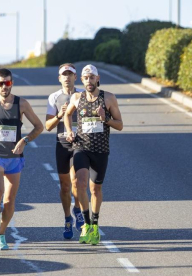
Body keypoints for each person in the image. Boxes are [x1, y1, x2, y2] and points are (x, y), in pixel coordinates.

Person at [0, 68, 43, 250]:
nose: (5, 86)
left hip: (14, 157)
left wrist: (25, 140)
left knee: (10, 200)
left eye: (8, 83)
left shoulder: (22, 104)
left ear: (12, 83)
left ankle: (1, 233)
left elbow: (39, 126)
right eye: (1, 83)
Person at [65, 64, 123, 245]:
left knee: (95, 189)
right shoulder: (77, 97)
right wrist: (69, 131)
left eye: (92, 78)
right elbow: (67, 115)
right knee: (78, 183)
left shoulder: (108, 98)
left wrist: (105, 119)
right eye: (86, 78)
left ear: (97, 79)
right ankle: (86, 224)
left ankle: (95, 225)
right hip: (81, 147)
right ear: (81, 80)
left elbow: (120, 124)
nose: (89, 81)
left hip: (101, 150)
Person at [45, 63, 85, 239]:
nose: (67, 77)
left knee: (77, 182)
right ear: (59, 78)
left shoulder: (83, 95)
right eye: (64, 74)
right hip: (62, 144)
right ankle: (68, 218)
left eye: (70, 74)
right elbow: (47, 126)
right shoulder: (54, 97)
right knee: (65, 186)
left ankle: (78, 210)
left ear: (76, 77)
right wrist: (59, 116)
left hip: (81, 143)